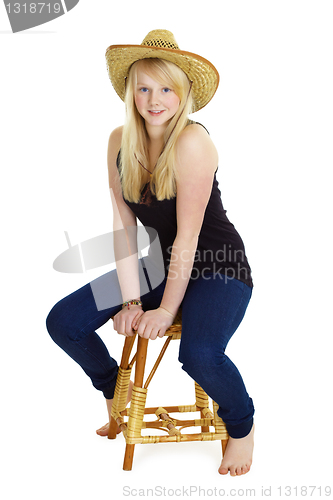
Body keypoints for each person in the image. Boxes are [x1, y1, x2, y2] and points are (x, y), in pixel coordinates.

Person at [46, 29, 255, 476]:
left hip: (218, 266)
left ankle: (242, 427)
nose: (154, 99)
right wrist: (132, 301)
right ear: (130, 92)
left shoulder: (193, 142)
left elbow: (189, 238)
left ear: (183, 94)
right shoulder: (119, 141)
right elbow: (124, 229)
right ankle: (114, 390)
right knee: (64, 322)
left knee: (198, 356)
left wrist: (164, 311)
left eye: (165, 88)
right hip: (160, 265)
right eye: (143, 87)